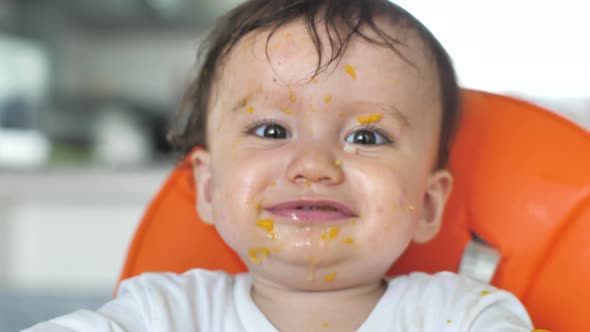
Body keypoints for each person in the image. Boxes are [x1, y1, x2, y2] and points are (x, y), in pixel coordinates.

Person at [25, 0, 536, 331]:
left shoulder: (464, 316)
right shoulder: (166, 314)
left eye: (366, 136)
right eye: (271, 131)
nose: (314, 165)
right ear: (207, 186)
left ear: (426, 202)